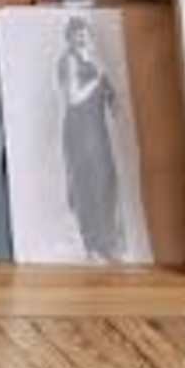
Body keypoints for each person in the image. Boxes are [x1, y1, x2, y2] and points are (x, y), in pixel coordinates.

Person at [56, 15, 132, 262]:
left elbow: (111, 98)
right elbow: (73, 98)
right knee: (87, 185)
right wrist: (97, 80)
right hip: (79, 131)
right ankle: (92, 246)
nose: (81, 37)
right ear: (69, 37)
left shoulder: (94, 59)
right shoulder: (68, 60)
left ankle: (108, 243)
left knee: (106, 183)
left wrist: (114, 98)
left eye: (84, 33)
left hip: (97, 129)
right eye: (76, 33)